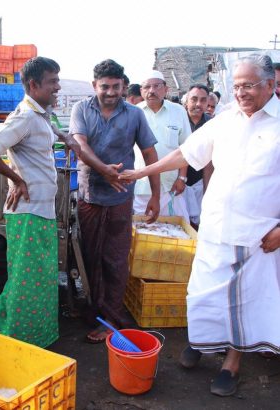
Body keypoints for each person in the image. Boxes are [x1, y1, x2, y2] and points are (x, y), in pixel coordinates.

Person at [119, 54, 280, 397]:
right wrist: (141, 172)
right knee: (203, 292)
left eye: (249, 85)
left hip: (257, 235)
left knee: (243, 300)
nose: (241, 92)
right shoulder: (225, 121)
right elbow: (187, 153)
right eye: (236, 86)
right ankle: (203, 342)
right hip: (215, 226)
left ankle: (232, 364)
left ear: (270, 84)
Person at [0, 57, 80, 348]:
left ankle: (30, 336)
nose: (58, 87)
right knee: (26, 282)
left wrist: (66, 138)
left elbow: (49, 130)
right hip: (28, 213)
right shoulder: (24, 116)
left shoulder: (41, 114)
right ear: (34, 85)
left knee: (39, 279)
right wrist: (17, 179)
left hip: (40, 211)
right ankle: (10, 337)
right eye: (52, 82)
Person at [69, 59, 159, 343]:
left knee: (116, 260)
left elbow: (149, 153)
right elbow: (79, 145)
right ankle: (93, 310)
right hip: (90, 196)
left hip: (121, 198)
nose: (110, 92)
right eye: (104, 86)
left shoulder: (134, 114)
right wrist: (103, 171)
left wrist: (156, 195)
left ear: (123, 85)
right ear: (94, 85)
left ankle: (110, 318)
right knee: (89, 256)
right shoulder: (81, 108)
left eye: (115, 86)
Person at [134, 70, 191, 222]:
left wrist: (182, 177)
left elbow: (186, 147)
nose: (151, 91)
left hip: (170, 185)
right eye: (147, 87)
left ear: (166, 89)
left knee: (172, 229)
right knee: (143, 228)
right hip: (141, 185)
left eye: (157, 86)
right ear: (141, 91)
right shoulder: (134, 112)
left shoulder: (178, 111)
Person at [184, 84, 213, 228]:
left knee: (198, 223)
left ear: (208, 103)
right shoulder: (178, 119)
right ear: (186, 101)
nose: (198, 104)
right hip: (176, 182)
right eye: (194, 99)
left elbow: (209, 162)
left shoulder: (212, 124)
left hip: (199, 181)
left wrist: (208, 191)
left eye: (203, 100)